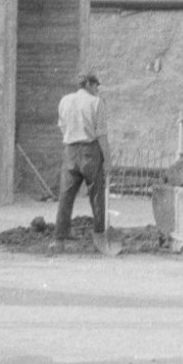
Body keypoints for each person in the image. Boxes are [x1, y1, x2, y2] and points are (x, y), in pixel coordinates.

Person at [54, 70, 109, 241]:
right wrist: (108, 159)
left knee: (66, 195)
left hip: (70, 150)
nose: (97, 90)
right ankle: (100, 235)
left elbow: (62, 126)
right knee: (97, 194)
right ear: (89, 84)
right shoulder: (96, 103)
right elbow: (101, 135)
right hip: (90, 151)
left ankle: (60, 236)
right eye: (96, 86)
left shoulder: (65, 100)